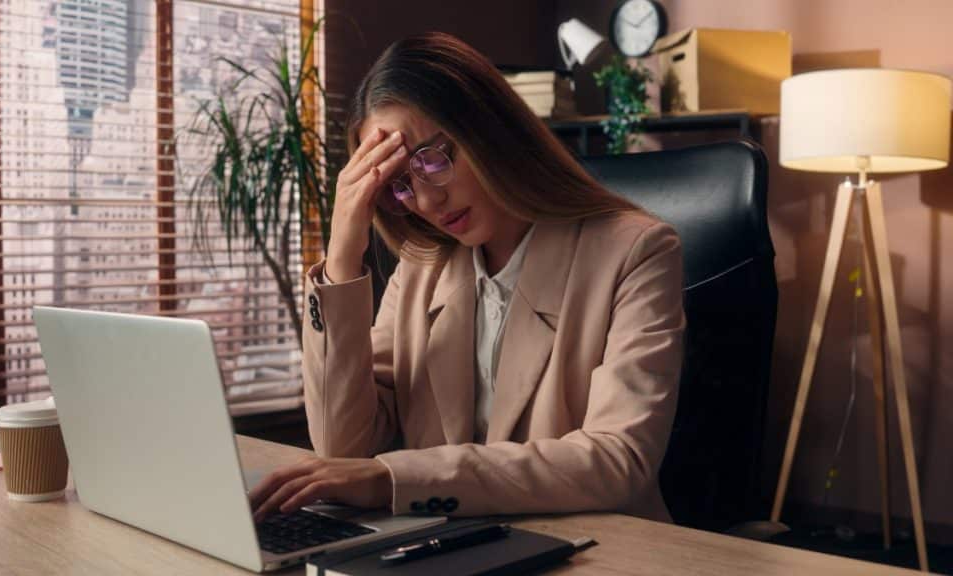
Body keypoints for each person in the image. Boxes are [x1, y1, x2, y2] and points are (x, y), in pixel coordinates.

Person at [249, 32, 684, 523]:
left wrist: (397, 480)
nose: (427, 202)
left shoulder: (635, 251)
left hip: (602, 549)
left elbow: (616, 459)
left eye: (433, 160)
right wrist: (343, 253)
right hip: (450, 547)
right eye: (400, 184)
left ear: (489, 128)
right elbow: (341, 444)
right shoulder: (421, 266)